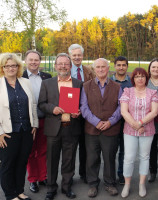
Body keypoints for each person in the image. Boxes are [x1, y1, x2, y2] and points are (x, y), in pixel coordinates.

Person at [0, 53, 38, 200]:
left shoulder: (25, 82)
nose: (11, 68)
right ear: (2, 68)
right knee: (8, 165)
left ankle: (20, 191)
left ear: (18, 67)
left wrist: (34, 124)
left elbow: (32, 104)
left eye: (14, 65)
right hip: (7, 133)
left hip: (26, 131)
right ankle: (10, 194)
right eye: (7, 66)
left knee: (22, 163)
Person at [38, 53, 82, 200]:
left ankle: (66, 187)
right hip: (53, 128)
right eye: (60, 63)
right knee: (51, 160)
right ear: (55, 66)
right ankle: (51, 188)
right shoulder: (47, 83)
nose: (63, 66)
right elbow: (41, 104)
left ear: (70, 66)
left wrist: (79, 112)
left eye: (66, 64)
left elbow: (82, 104)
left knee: (69, 160)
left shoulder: (77, 83)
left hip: (71, 126)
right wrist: (53, 109)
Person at [80, 58, 122, 198]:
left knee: (110, 158)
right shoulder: (86, 86)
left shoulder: (117, 87)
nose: (100, 69)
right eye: (97, 67)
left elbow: (121, 107)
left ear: (108, 68)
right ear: (94, 69)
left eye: (103, 67)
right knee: (92, 158)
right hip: (92, 129)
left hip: (111, 129)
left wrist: (110, 121)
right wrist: (96, 122)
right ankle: (93, 184)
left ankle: (110, 184)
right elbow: (84, 108)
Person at [119, 67, 158, 198]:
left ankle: (142, 184)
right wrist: (136, 125)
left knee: (144, 157)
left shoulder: (153, 93)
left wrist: (141, 123)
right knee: (129, 158)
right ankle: (127, 184)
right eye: (137, 76)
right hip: (130, 130)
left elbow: (154, 112)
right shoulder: (127, 91)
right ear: (133, 79)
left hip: (147, 130)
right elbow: (124, 111)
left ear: (146, 78)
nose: (140, 79)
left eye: (142, 76)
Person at [22, 50, 52, 193]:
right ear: (25, 61)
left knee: (43, 150)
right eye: (31, 60)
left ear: (40, 61)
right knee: (30, 151)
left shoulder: (47, 77)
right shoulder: (19, 77)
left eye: (36, 60)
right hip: (28, 122)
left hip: (44, 120)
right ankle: (33, 179)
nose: (34, 62)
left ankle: (42, 176)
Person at [68, 44, 95, 183]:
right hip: (70, 116)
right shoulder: (65, 71)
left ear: (82, 56)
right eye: (74, 55)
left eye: (79, 55)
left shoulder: (89, 71)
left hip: (86, 115)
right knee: (71, 148)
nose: (77, 57)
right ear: (70, 56)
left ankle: (84, 174)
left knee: (85, 147)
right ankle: (69, 176)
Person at [110, 56, 132, 185]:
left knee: (124, 151)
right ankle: (110, 176)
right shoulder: (109, 82)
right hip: (113, 121)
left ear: (127, 66)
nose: (121, 67)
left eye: (124, 65)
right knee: (111, 151)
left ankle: (122, 175)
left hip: (127, 122)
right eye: (119, 65)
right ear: (115, 66)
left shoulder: (131, 83)